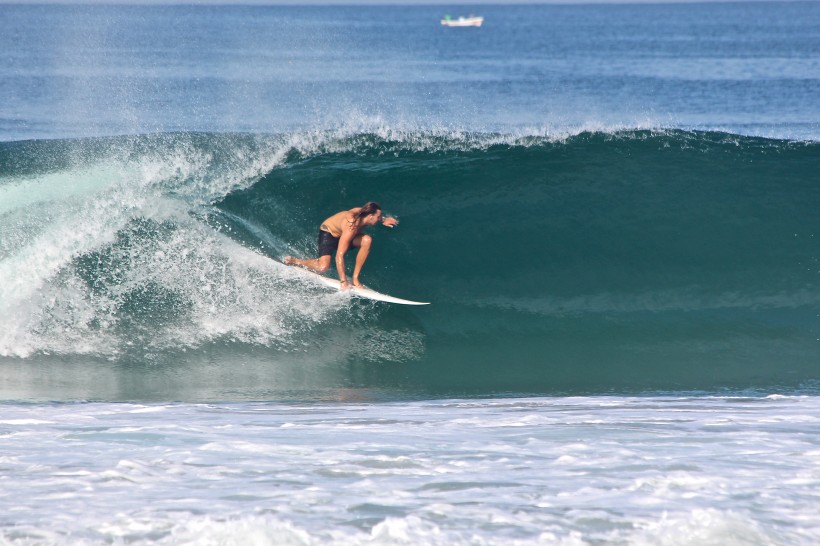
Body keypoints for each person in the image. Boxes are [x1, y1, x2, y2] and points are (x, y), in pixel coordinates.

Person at [284, 202, 398, 289]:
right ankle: (296, 261)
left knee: (367, 240)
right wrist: (343, 281)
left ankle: (355, 278)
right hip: (329, 233)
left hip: (344, 235)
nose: (378, 219)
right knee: (323, 267)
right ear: (370, 216)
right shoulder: (351, 226)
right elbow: (339, 255)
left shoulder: (363, 212)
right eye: (378, 217)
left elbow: (372, 217)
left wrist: (384, 220)